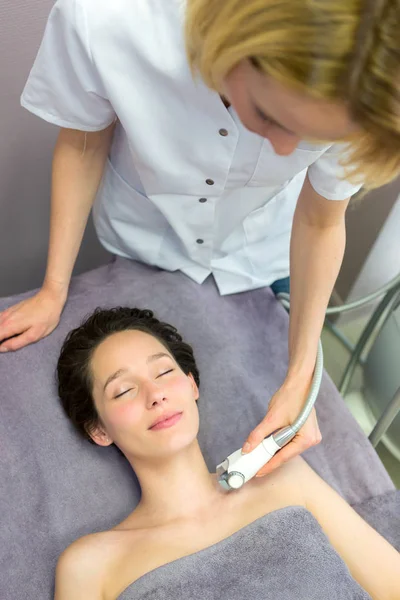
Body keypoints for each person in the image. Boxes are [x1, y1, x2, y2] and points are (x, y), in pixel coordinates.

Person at [1, 0, 399, 475]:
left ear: (194, 383)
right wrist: (53, 289)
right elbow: (83, 143)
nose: (288, 151)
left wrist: (299, 376)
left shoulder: (363, 87)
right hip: (146, 233)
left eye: (311, 138)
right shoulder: (105, 19)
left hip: (267, 250)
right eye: (272, 117)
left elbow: (319, 220)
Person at [54, 307, 399, 599]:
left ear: (192, 385)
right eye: (124, 390)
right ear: (98, 429)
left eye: (163, 372)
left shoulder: (282, 477)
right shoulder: (91, 564)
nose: (155, 394)